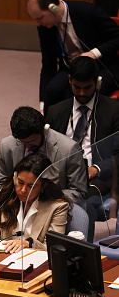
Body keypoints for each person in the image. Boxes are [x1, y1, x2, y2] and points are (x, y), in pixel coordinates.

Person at [46, 56, 119, 238]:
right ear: (70, 80)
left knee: (80, 204)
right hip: (61, 175)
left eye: (88, 88)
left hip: (97, 179)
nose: (82, 93)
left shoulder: (113, 111)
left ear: (97, 82)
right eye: (76, 87)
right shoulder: (56, 112)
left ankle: (81, 248)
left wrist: (96, 168)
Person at [26, 0, 119, 112]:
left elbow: (117, 37)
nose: (38, 23)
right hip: (70, 67)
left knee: (80, 92)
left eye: (40, 18)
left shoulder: (87, 11)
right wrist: (43, 106)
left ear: (53, 8)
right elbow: (48, 65)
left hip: (103, 65)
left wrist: (93, 54)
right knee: (52, 90)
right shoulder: (44, 27)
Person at [0, 153, 70, 253]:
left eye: (31, 186)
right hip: (5, 258)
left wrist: (28, 243)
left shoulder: (58, 207)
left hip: (35, 263)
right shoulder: (7, 195)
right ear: (15, 177)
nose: (23, 190)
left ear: (43, 186)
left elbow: (53, 247)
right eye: (20, 182)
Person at [0, 106, 87, 204]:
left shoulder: (69, 149)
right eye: (23, 142)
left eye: (32, 141)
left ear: (43, 130)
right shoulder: (7, 145)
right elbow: (0, 184)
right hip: (19, 205)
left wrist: (42, 198)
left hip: (54, 206)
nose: (28, 147)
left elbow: (79, 192)